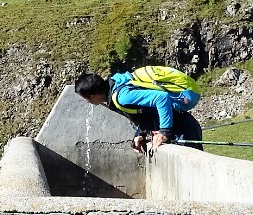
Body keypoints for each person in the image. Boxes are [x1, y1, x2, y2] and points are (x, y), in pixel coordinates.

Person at [74, 65, 203, 151]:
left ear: (94, 96)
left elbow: (161, 97)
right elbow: (144, 111)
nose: (85, 101)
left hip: (182, 130)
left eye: (84, 98)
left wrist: (164, 132)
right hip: (182, 126)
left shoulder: (121, 97)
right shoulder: (116, 85)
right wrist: (140, 134)